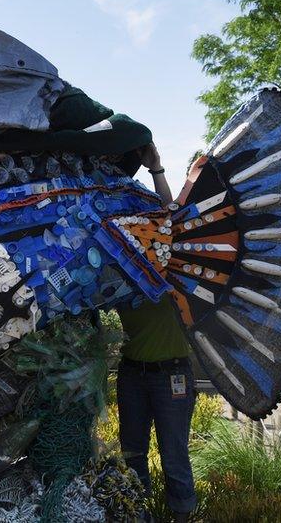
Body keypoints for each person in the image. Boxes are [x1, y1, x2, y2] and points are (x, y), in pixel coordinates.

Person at [116, 143, 197, 522]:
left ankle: (181, 516)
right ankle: (139, 516)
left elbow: (174, 220)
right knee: (132, 454)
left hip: (172, 375)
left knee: (174, 456)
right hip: (133, 373)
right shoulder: (118, 260)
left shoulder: (170, 259)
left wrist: (157, 169)